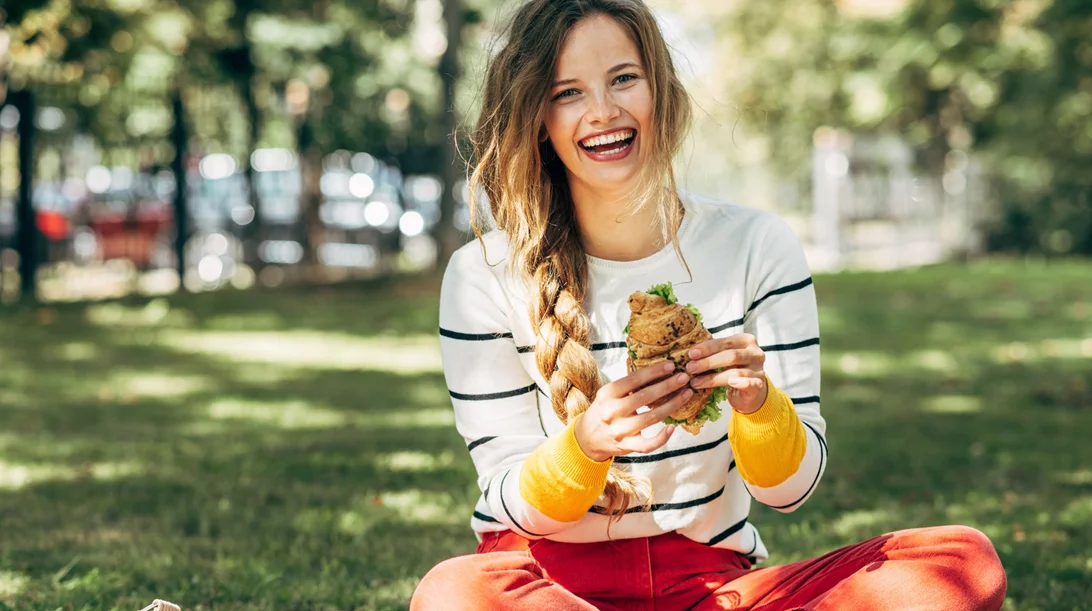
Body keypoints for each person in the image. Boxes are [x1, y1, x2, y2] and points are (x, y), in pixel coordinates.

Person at [411, 0, 1008, 609]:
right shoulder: (483, 275)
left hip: (711, 589)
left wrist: (759, 405)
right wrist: (585, 446)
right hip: (546, 587)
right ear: (539, 119)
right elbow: (511, 500)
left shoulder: (757, 244)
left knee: (960, 562)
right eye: (568, 92)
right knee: (453, 592)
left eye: (624, 78)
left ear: (661, 90)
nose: (603, 111)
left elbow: (790, 492)